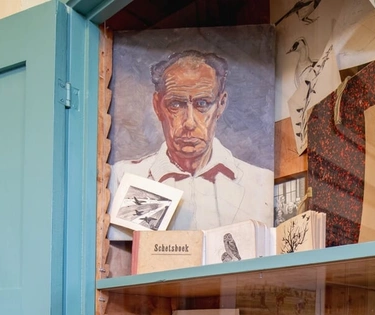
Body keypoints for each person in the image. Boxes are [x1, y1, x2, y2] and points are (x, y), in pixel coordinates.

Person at [110, 50, 273, 231]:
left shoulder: (260, 183)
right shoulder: (124, 177)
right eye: (175, 104)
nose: (189, 122)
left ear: (221, 104)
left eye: (202, 104)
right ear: (157, 105)